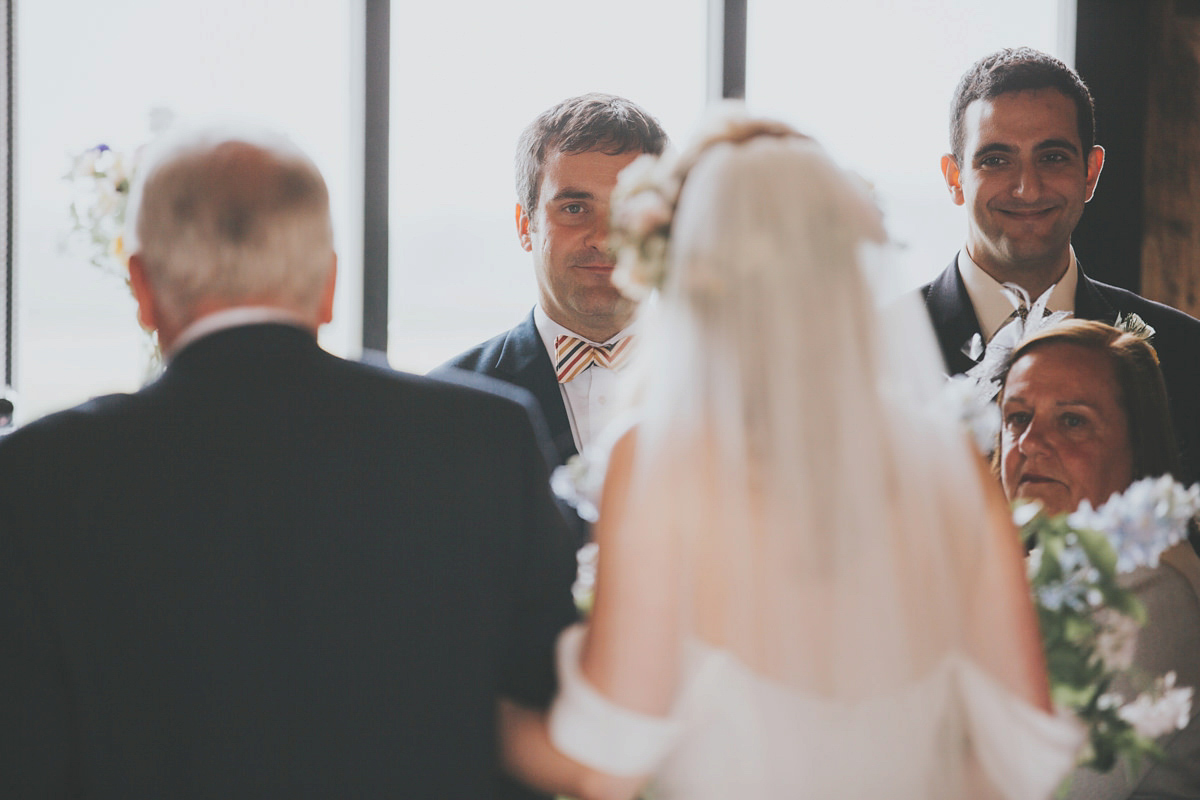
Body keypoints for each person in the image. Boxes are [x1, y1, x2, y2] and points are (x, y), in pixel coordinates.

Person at [497, 113, 1083, 799]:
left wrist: (473, 712)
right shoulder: (954, 467)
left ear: (689, 270)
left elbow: (607, 769)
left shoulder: (663, 460)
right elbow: (1022, 758)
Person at [0, 124, 579, 798]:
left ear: (142, 287)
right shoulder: (486, 439)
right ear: (329, 286)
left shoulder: (36, 476)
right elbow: (545, 711)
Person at [922, 47, 1200, 488]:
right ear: (954, 177)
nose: (1027, 188)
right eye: (996, 159)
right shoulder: (874, 348)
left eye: (1052, 157)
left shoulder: (1186, 353)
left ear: (1090, 172)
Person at [997, 319, 1200, 798]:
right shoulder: (1054, 568)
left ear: (1137, 444)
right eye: (1017, 417)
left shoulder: (1147, 587)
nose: (1029, 444)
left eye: (1072, 421)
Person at [433, 93, 669, 468]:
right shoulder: (445, 402)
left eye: (627, 209)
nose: (603, 238)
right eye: (575, 209)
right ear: (525, 226)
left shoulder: (729, 391)